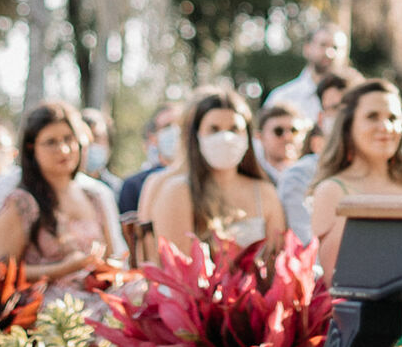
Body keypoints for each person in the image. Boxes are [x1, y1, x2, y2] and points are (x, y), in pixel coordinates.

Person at [0, 101, 125, 308]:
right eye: (51, 142)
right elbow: (1, 271)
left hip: (101, 304)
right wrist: (62, 269)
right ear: (31, 148)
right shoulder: (22, 203)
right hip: (46, 313)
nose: (63, 149)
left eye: (69, 139)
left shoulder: (95, 197)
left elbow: (114, 257)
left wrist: (102, 270)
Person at [308, 79, 402, 274]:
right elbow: (335, 275)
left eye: (393, 118)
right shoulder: (332, 191)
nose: (385, 127)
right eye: (372, 117)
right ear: (348, 126)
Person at [148, 88, 285, 255]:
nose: (225, 137)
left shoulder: (265, 192)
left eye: (234, 129)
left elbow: (277, 257)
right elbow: (177, 263)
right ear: (197, 136)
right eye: (214, 129)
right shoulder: (178, 191)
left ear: (247, 136)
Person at [279, 70, 358, 243]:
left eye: (350, 108)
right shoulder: (299, 177)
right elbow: (307, 243)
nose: (343, 117)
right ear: (321, 119)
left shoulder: (385, 172)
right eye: (335, 109)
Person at [265, 24, 352, 122]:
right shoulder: (281, 98)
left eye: (336, 48)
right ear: (307, 49)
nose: (329, 53)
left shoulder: (356, 98)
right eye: (323, 45)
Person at [116, 102, 181, 216]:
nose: (175, 131)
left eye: (181, 125)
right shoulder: (134, 186)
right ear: (153, 137)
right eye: (167, 126)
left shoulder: (198, 179)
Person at [254, 104, 306, 182]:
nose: (288, 137)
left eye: (294, 131)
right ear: (260, 137)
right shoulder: (252, 177)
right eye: (279, 131)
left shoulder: (312, 172)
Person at [80, 108, 126, 194]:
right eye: (86, 138)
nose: (91, 144)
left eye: (97, 137)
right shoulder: (65, 189)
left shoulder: (119, 189)